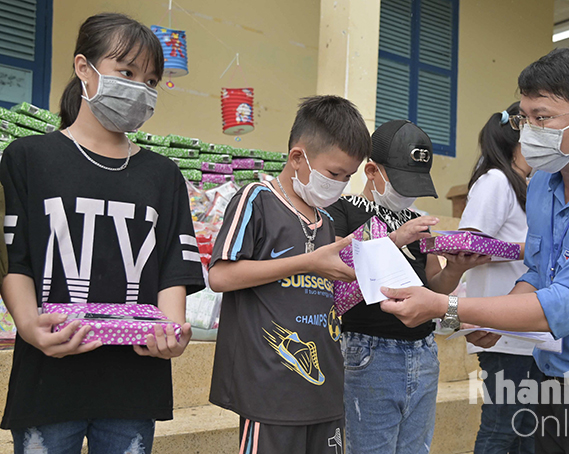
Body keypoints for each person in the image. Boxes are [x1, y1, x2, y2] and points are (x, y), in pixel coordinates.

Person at [379, 47, 569, 453]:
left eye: (543, 118)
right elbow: (539, 273)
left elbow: (565, 301)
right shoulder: (542, 184)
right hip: (551, 382)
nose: (527, 132)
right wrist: (500, 324)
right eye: (525, 117)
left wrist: (445, 307)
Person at [0, 13, 205, 453]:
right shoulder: (27, 158)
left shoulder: (163, 175)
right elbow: (14, 258)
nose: (139, 89)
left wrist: (171, 333)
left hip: (134, 383)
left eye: (150, 81)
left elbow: (173, 265)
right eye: (126, 72)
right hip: (48, 378)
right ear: (83, 68)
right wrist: (29, 326)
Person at [208, 95, 371, 453]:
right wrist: (306, 262)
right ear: (298, 157)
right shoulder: (256, 199)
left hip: (325, 390)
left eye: (347, 177)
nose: (340, 184)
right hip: (270, 391)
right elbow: (219, 276)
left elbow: (327, 296)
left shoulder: (326, 221)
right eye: (333, 173)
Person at [325, 120, 489, 454]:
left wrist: (456, 267)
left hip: (423, 352)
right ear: (372, 170)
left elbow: (435, 288)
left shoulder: (416, 221)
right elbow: (339, 270)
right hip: (368, 352)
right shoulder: (341, 210)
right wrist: (395, 238)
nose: (408, 193)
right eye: (401, 183)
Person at [459, 103, 542, 454]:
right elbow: (466, 247)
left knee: (526, 429)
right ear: (517, 142)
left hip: (527, 330)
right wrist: (530, 250)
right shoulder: (495, 181)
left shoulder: (526, 185)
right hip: (501, 330)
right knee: (501, 426)